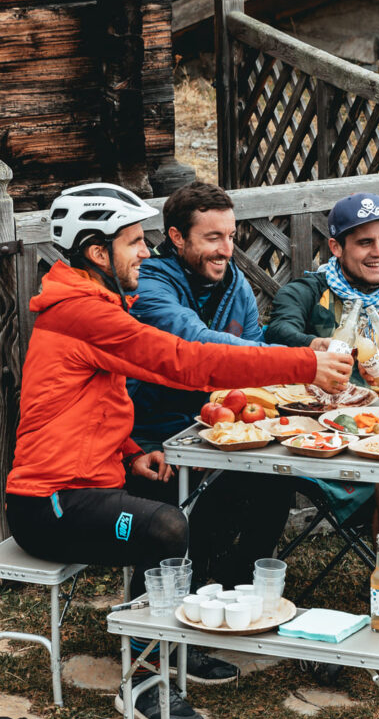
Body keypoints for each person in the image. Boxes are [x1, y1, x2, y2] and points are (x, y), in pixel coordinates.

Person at [5, 183, 353, 719]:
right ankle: (144, 680)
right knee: (165, 528)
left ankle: (180, 641)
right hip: (48, 505)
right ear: (97, 254)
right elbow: (184, 360)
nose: (144, 251)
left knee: (211, 500)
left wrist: (130, 450)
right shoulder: (82, 313)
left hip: (94, 485)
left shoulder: (91, 304)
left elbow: (79, 401)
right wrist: (301, 363)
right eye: (131, 242)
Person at [129, 182, 318, 593]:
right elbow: (196, 344)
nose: (226, 250)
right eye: (212, 238)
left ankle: (238, 585)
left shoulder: (236, 286)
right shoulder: (148, 287)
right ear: (177, 237)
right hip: (151, 432)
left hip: (215, 428)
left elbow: (247, 375)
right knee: (191, 496)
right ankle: (180, 588)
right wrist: (296, 362)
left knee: (275, 473)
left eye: (231, 237)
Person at [265, 191, 379, 577]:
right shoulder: (309, 292)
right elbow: (277, 332)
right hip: (321, 437)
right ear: (336, 246)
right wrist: (316, 346)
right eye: (365, 242)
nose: (378, 252)